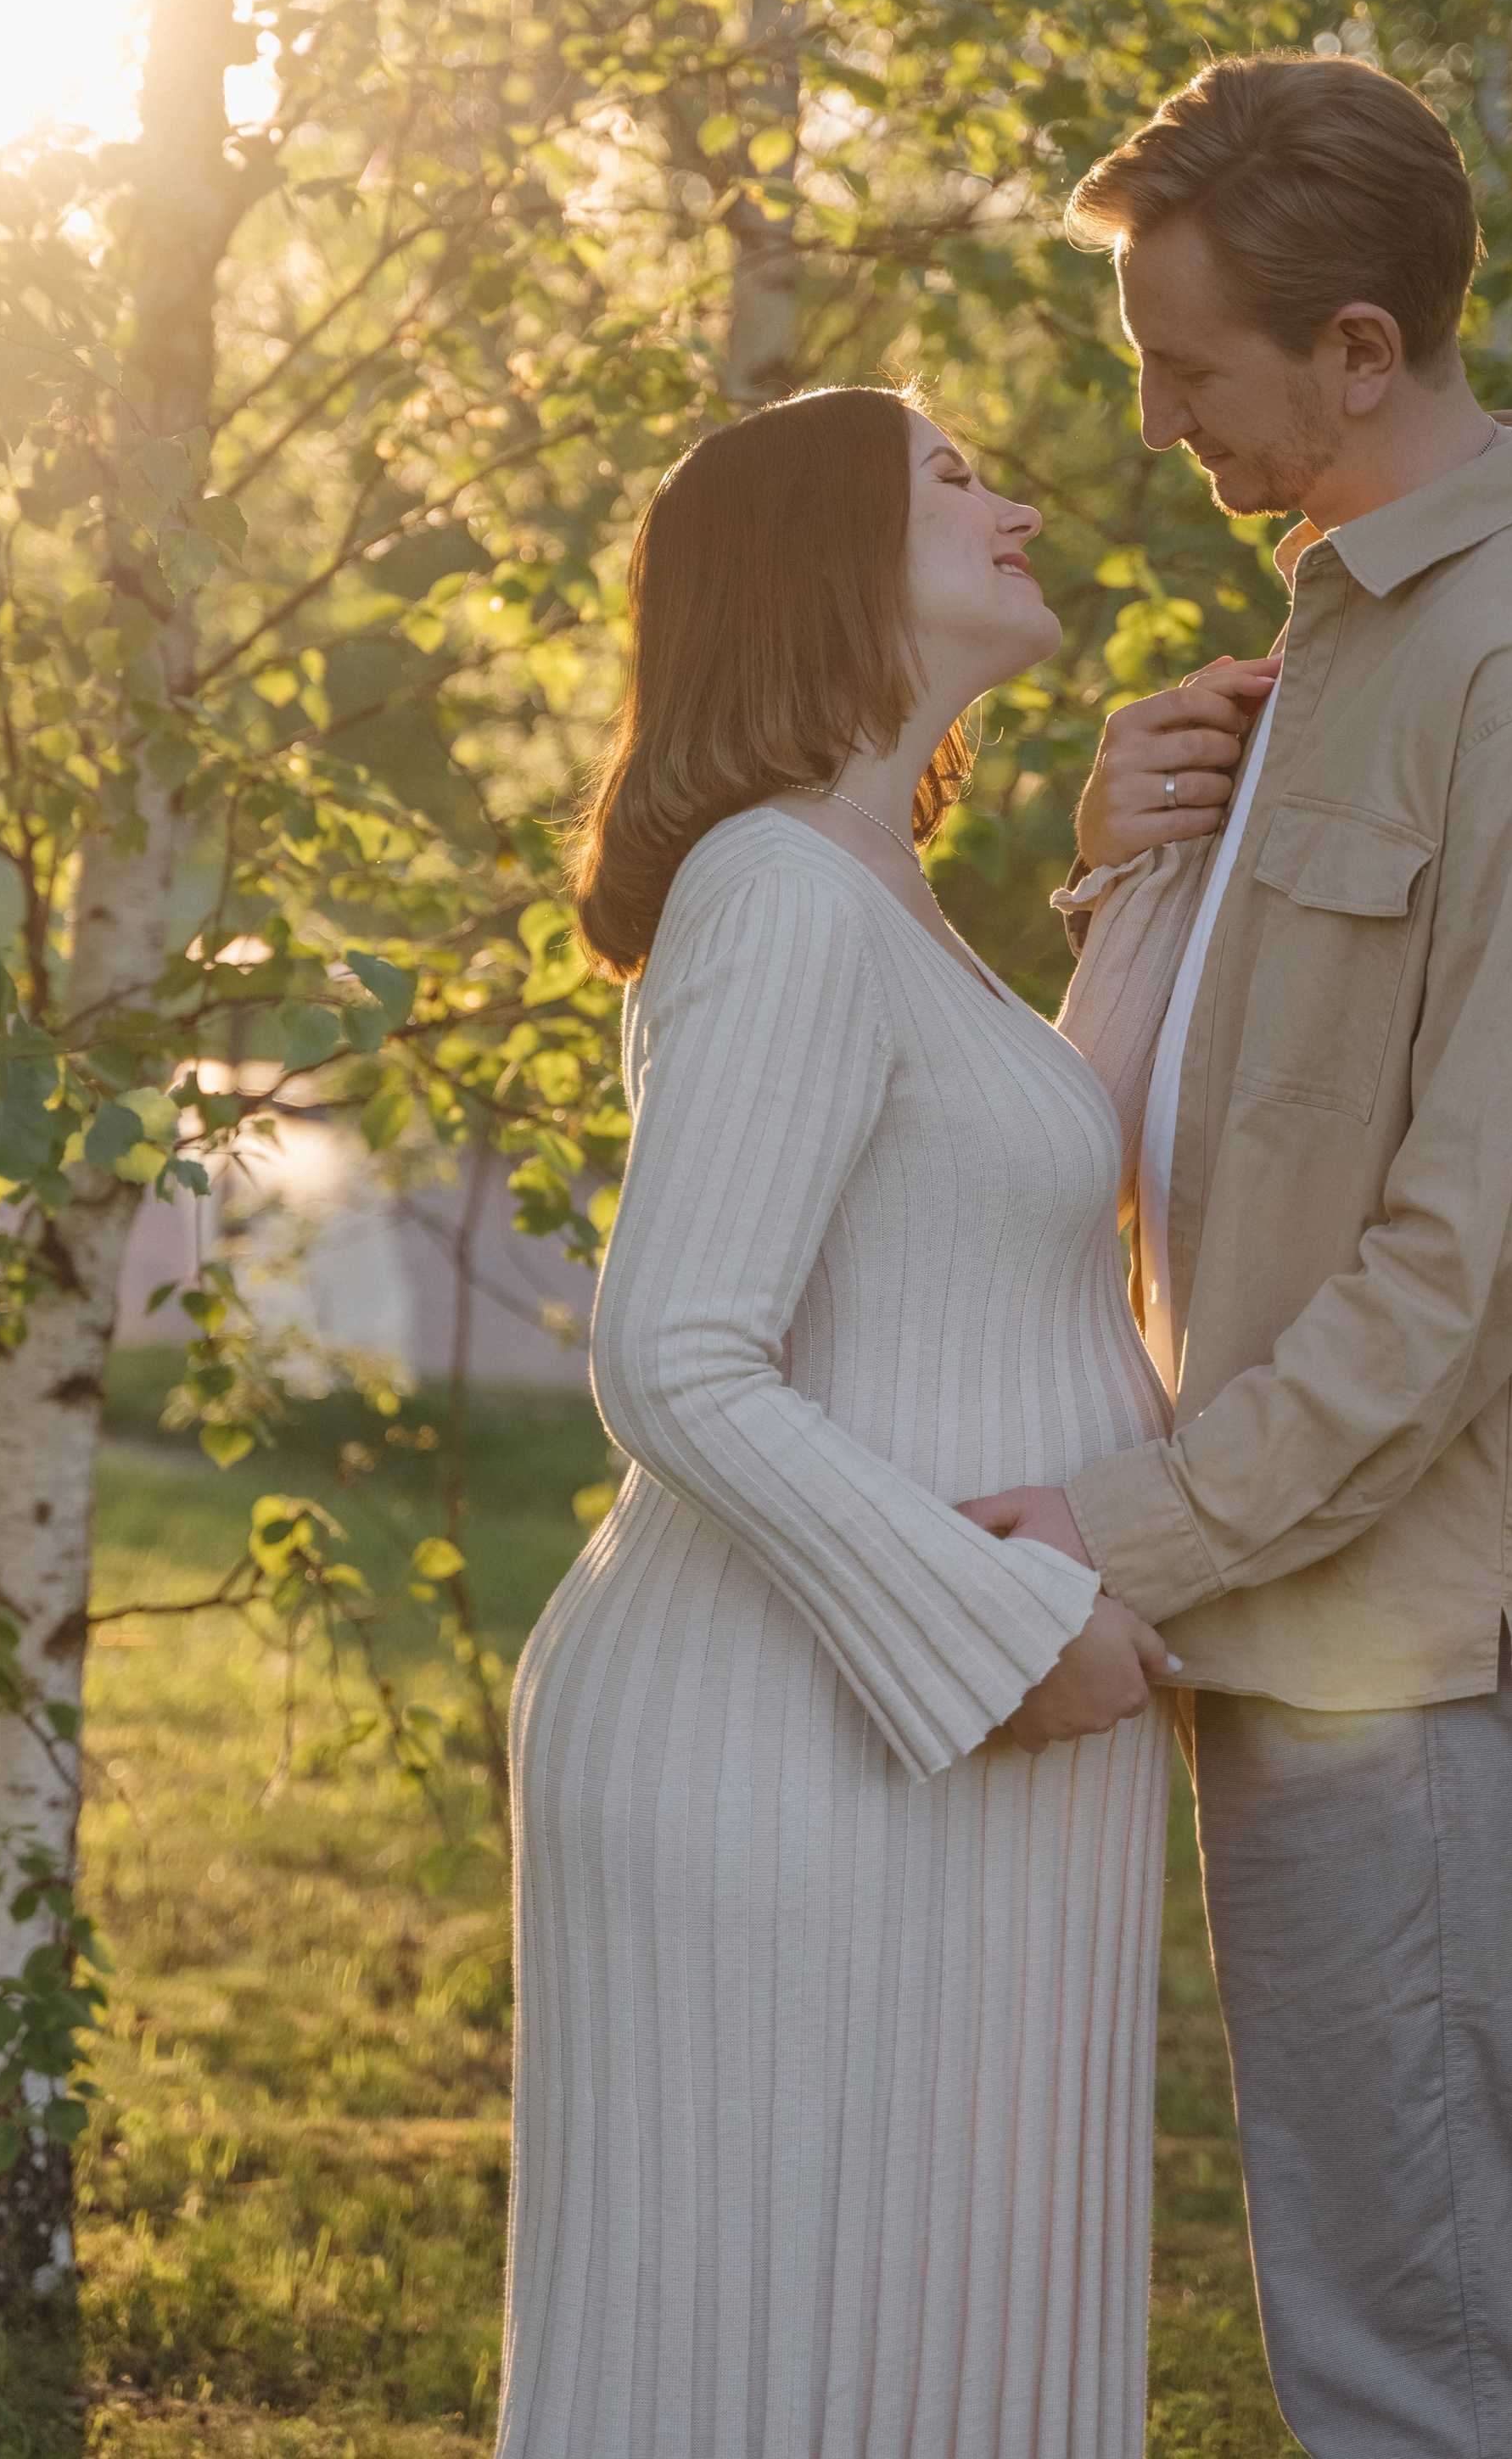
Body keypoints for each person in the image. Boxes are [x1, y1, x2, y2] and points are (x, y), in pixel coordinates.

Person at [965, 53, 1512, 2459]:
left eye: (1188, 372)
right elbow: (1227, 1101)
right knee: (1375, 2307)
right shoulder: (1352, 633)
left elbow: (1470, 1265)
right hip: (1329, 1598)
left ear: (1358, 352)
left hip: (1434, 1634)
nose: (1154, 425)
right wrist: (1118, 860)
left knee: (1436, 2365)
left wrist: (1122, 1532)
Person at [496, 385, 1177, 2459]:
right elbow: (675, 1353)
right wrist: (1005, 1630)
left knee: (935, 2352)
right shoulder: (778, 896)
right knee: (787, 2362)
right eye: (953, 477)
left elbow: (1005, 1200)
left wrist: (1127, 880)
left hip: (913, 1744)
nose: (1022, 498)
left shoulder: (869, 900)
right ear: (815, 560)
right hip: (800, 1745)